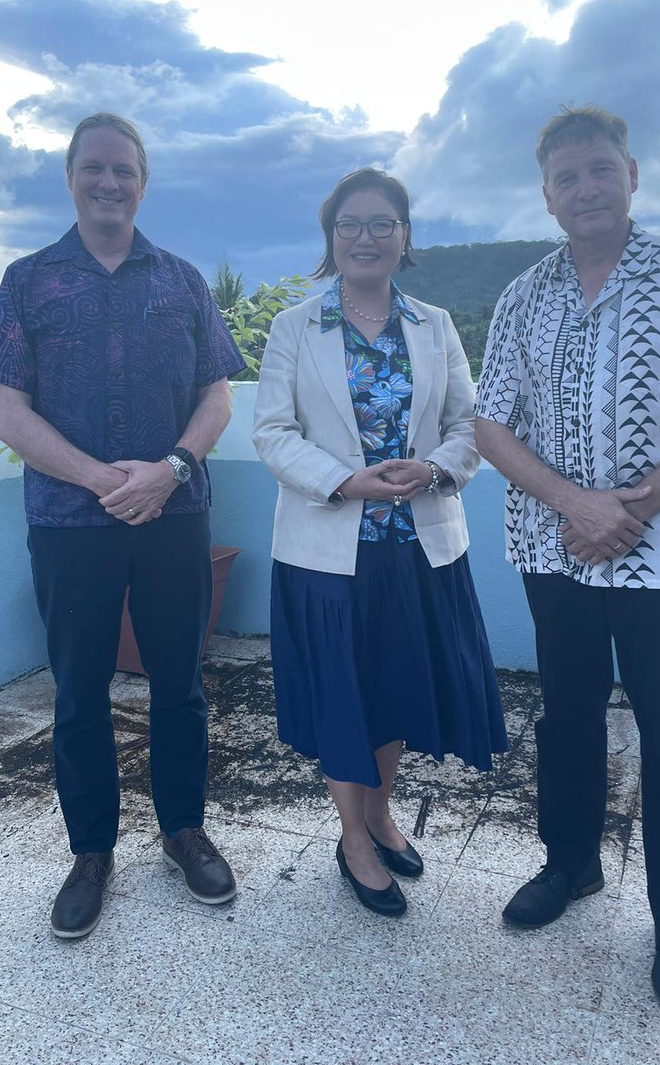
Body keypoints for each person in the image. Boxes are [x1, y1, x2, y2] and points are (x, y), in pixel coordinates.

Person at [475, 105, 660, 1012]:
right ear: (547, 195)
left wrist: (629, 508)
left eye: (601, 169)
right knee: (564, 717)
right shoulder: (523, 294)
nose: (586, 187)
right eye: (567, 177)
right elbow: (489, 422)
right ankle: (569, 866)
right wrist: (576, 505)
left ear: (632, 175)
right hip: (554, 547)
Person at [0, 112, 246, 939]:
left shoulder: (182, 280)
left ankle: (184, 832)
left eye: (124, 170)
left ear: (143, 180)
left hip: (174, 513)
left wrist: (169, 470)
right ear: (70, 176)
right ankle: (91, 853)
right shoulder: (28, 282)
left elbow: (217, 394)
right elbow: (5, 412)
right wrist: (100, 478)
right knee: (80, 693)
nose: (109, 182)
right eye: (94, 168)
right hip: (68, 521)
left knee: (182, 685)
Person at [252, 167, 508, 917]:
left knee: (394, 688)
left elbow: (470, 426)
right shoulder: (295, 327)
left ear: (405, 237)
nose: (366, 237)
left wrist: (433, 469)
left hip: (417, 546)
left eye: (382, 223)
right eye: (349, 225)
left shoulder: (435, 325)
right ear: (331, 239)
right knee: (344, 695)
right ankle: (353, 839)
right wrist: (344, 481)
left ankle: (379, 813)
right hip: (327, 551)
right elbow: (272, 432)